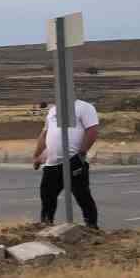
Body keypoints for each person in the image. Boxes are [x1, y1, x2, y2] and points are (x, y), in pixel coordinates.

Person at [32, 98, 100, 228]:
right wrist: (37, 155)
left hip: (73, 160)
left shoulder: (84, 107)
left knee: (82, 195)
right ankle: (46, 224)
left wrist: (82, 153)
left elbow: (92, 130)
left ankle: (92, 226)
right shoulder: (53, 110)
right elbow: (44, 134)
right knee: (47, 195)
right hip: (52, 163)